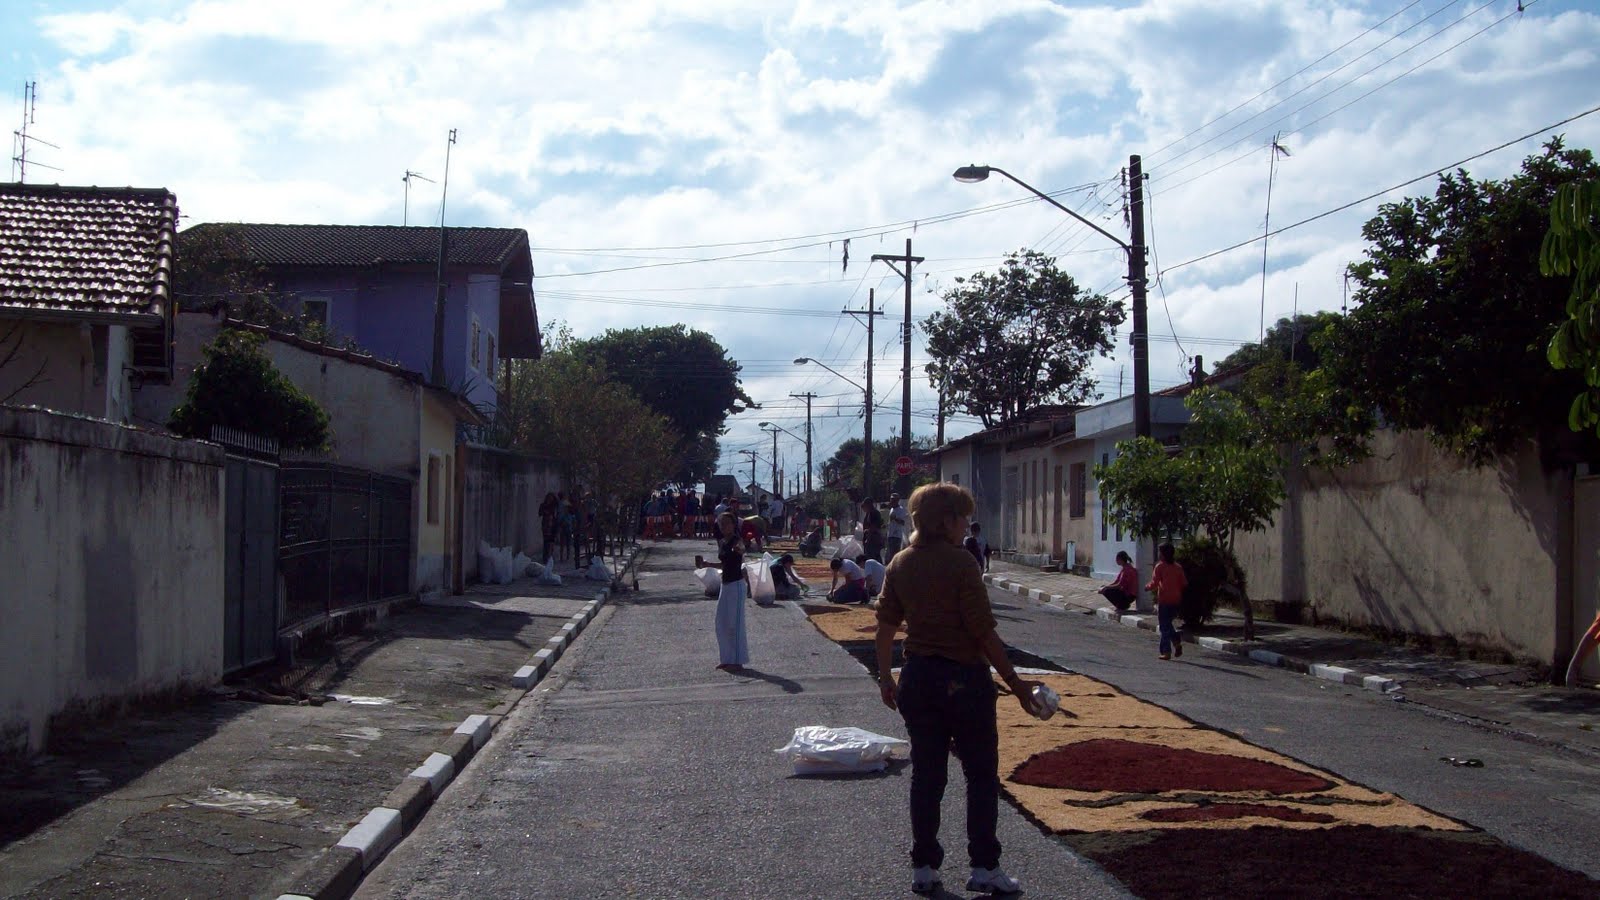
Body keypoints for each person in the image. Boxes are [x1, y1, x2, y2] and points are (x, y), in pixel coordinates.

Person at [875, 482, 1041, 896]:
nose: (967, 523)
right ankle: (984, 866)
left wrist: (885, 676)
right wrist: (1017, 685)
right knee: (980, 775)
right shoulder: (963, 564)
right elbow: (983, 633)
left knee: (927, 777)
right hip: (964, 680)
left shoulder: (900, 563)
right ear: (946, 521)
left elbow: (885, 627)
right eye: (963, 516)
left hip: (917, 677)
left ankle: (924, 867)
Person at [713, 511, 751, 671]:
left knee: (735, 624)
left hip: (736, 585)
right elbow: (724, 564)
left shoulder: (737, 541)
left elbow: (741, 552)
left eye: (727, 523)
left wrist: (741, 549)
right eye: (721, 523)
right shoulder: (722, 542)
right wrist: (708, 564)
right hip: (725, 584)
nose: (724, 526)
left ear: (733, 524)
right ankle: (726, 658)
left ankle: (737, 660)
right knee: (721, 621)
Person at [1146, 543, 1188, 660]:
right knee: (1167, 624)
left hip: (1164, 599)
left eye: (1160, 552)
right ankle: (1176, 642)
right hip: (1176, 599)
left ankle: (1166, 651)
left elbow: (1154, 582)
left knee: (1164, 627)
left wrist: (1147, 587)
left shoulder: (1160, 567)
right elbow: (1184, 583)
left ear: (1163, 554)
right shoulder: (1178, 567)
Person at [860, 497, 885, 562]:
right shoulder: (869, 513)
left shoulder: (873, 513)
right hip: (871, 538)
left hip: (873, 538)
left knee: (873, 558)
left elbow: (873, 527)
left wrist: (868, 538)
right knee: (872, 557)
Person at [885, 493, 908, 558]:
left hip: (896, 536)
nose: (892, 501)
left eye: (894, 500)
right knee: (889, 555)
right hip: (890, 535)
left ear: (897, 500)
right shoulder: (892, 509)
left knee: (894, 555)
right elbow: (891, 521)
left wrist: (895, 518)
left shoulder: (901, 509)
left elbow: (903, 522)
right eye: (891, 499)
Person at [538, 492, 559, 562]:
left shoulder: (555, 506)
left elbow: (556, 515)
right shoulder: (543, 505)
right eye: (548, 498)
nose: (549, 499)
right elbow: (540, 513)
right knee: (546, 542)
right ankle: (545, 557)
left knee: (551, 542)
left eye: (551, 498)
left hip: (553, 526)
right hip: (546, 526)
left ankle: (550, 557)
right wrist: (545, 511)